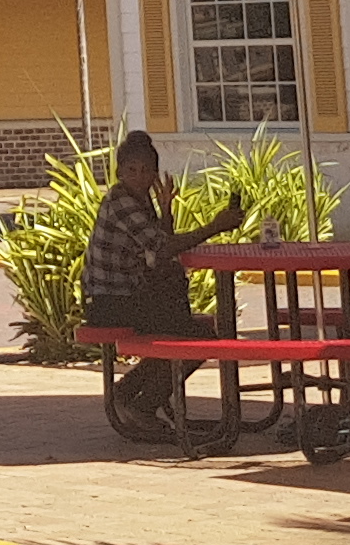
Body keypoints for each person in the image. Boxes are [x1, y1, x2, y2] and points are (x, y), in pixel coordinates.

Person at [81, 131, 244, 426]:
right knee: (197, 337)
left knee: (191, 328)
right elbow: (164, 247)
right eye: (131, 170)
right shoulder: (122, 201)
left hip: (124, 297)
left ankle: (129, 391)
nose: (139, 177)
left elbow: (159, 244)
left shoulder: (140, 200)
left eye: (145, 171)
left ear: (155, 173)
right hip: (109, 302)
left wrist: (166, 208)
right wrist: (214, 227)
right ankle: (144, 404)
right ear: (119, 172)